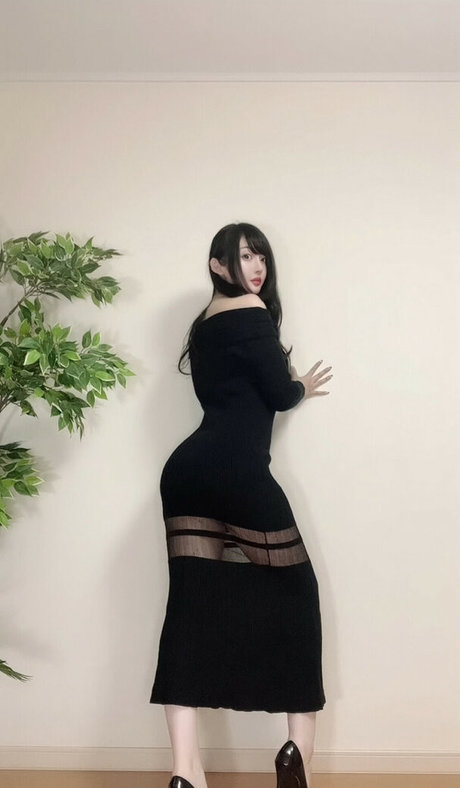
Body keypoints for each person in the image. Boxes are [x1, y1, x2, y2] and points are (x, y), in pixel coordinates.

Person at [150, 222, 333, 788]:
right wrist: (299, 384)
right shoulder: (251, 311)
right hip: (237, 472)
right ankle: (296, 754)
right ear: (217, 265)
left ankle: (185, 772)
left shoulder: (204, 323)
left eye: (261, 257)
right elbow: (278, 394)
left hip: (187, 474)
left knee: (190, 610)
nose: (256, 267)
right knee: (297, 595)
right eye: (244, 256)